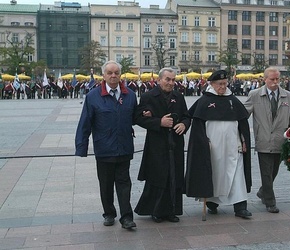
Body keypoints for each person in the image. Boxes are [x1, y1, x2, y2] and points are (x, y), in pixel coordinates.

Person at [75, 60, 137, 230]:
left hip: (124, 147)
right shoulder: (93, 96)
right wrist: (81, 147)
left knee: (124, 183)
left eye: (116, 72)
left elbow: (135, 117)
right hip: (104, 149)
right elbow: (85, 123)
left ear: (120, 75)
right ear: (103, 75)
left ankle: (126, 217)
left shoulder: (130, 95)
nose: (113, 76)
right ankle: (109, 213)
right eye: (109, 73)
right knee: (106, 183)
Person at [185, 70, 252, 219]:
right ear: (212, 84)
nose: (222, 87)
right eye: (219, 84)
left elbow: (243, 123)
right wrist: (203, 142)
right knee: (213, 174)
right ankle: (212, 203)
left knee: (237, 175)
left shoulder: (232, 100)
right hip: (213, 148)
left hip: (233, 147)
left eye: (224, 84)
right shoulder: (204, 101)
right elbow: (198, 126)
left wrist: (244, 140)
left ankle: (240, 207)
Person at [134, 67, 191, 223]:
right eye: (167, 79)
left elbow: (186, 116)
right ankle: (156, 210)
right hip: (157, 145)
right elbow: (138, 118)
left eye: (173, 80)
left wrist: (185, 125)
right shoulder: (148, 96)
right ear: (159, 80)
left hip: (175, 143)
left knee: (174, 177)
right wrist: (159, 122)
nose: (171, 83)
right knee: (158, 177)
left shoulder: (179, 96)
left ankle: (172, 210)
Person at [244, 67, 290, 213]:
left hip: (281, 140)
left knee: (274, 171)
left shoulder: (288, 96)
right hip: (263, 139)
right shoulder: (255, 95)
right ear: (265, 79)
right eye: (272, 79)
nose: (275, 82)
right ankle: (270, 202)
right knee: (266, 172)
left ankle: (263, 191)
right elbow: (244, 113)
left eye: (277, 79)